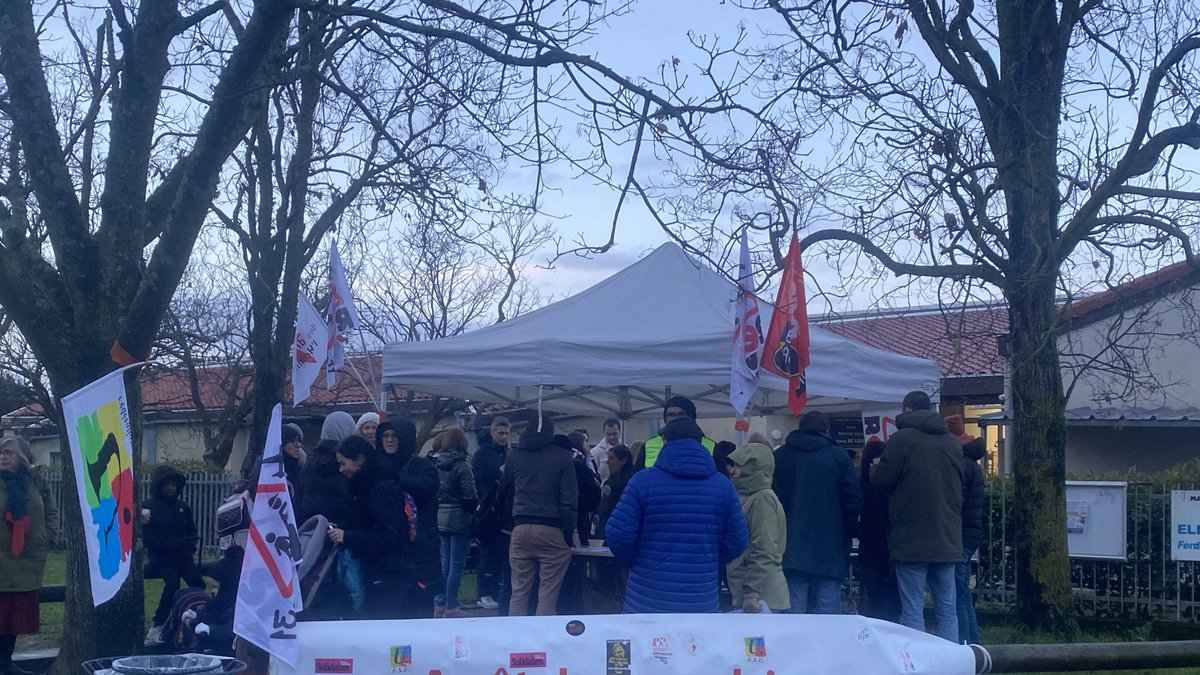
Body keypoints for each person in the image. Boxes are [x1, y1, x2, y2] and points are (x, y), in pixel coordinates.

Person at [605, 417, 749, 613]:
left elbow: (618, 534)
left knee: (646, 643)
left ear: (665, 442)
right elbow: (738, 540)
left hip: (647, 599)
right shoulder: (723, 486)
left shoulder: (642, 481)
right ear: (701, 443)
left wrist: (636, 562)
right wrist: (709, 559)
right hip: (701, 598)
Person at [872, 391, 964, 642]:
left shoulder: (902, 439)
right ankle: (951, 665)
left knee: (912, 609)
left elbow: (882, 481)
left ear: (907, 409)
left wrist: (873, 469)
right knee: (947, 610)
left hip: (911, 537)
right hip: (947, 536)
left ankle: (916, 664)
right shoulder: (952, 442)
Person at [772, 411, 861, 614]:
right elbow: (853, 498)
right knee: (828, 613)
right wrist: (851, 528)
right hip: (831, 542)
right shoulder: (838, 456)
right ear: (825, 430)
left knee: (794, 609)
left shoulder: (781, 456)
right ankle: (826, 647)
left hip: (791, 543)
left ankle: (795, 646)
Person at [326, 436, 415, 619]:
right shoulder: (369, 485)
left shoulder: (378, 488)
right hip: (382, 571)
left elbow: (386, 534)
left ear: (359, 460)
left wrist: (347, 536)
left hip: (387, 574)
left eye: (343, 463)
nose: (341, 470)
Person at [501, 411, 578, 616]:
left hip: (520, 527)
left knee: (518, 593)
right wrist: (568, 534)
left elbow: (505, 492)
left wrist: (510, 523)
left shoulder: (513, 455)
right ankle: (543, 644)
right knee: (547, 596)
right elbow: (569, 500)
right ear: (551, 432)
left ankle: (515, 642)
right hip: (550, 528)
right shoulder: (563, 458)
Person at [0, 437, 56, 675]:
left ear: (22, 458)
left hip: (28, 561)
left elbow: (51, 511)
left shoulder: (36, 482)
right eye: (1, 452)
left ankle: (5, 664)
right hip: (2, 560)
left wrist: (48, 537)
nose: (2, 456)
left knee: (13, 620)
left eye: (9, 453)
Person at [375, 418, 441, 617]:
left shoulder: (422, 467)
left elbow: (426, 488)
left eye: (395, 436)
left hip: (418, 552)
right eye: (385, 436)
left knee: (418, 614)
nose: (389, 440)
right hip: (388, 553)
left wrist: (394, 478)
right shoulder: (376, 468)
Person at [296, 411, 358, 615]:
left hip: (311, 535)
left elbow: (300, 499)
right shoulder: (347, 465)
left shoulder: (309, 464)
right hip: (339, 535)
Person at [143, 464, 205, 646]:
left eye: (173, 485)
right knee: (172, 586)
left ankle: (195, 622)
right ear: (159, 486)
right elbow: (148, 539)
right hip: (162, 558)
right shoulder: (148, 507)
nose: (170, 488)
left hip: (183, 556)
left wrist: (190, 546)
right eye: (166, 484)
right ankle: (157, 627)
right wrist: (170, 547)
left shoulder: (182, 507)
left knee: (198, 584)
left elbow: (192, 532)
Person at [725, 442, 790, 613]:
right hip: (755, 593)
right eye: (733, 465)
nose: (732, 470)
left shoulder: (762, 499)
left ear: (755, 468)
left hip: (761, 597)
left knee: (759, 641)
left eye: (739, 466)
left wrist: (751, 591)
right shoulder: (748, 496)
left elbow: (765, 548)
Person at [946, 415, 985, 645]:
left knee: (958, 593)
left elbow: (954, 501)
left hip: (959, 535)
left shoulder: (961, 464)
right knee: (962, 593)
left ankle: (966, 643)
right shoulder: (972, 462)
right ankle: (972, 641)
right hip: (969, 534)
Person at [435, 429, 478, 618]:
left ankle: (442, 602)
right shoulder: (463, 466)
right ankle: (452, 606)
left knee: (445, 564)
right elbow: (470, 496)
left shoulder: (436, 464)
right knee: (457, 564)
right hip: (460, 518)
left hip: (441, 517)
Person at [857, 440, 900, 622]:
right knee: (895, 595)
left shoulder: (862, 487)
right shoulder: (894, 487)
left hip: (868, 545)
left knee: (873, 596)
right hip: (893, 545)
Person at [471, 417, 510, 610]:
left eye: (506, 434)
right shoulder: (482, 455)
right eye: (500, 433)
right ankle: (484, 592)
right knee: (487, 552)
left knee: (502, 553)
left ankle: (497, 590)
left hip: (505, 512)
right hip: (487, 510)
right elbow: (476, 481)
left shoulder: (509, 454)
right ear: (492, 433)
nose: (504, 437)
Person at [637, 396, 715, 469]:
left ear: (691, 417)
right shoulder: (648, 446)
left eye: (680, 414)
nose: (675, 419)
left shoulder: (711, 446)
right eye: (671, 415)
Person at [595, 445, 634, 541]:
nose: (608, 462)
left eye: (612, 458)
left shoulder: (631, 483)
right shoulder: (610, 481)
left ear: (623, 461)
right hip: (604, 527)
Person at [590, 419, 622, 484]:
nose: (611, 437)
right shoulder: (595, 452)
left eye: (614, 434)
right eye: (608, 434)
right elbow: (592, 476)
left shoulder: (625, 448)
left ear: (619, 431)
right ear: (604, 432)